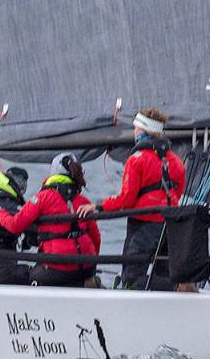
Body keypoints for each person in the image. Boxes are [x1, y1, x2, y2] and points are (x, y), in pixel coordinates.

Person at [78, 108, 186, 290]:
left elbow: (126, 200)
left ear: (143, 131)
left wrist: (97, 206)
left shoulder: (137, 159)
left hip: (144, 226)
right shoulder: (176, 160)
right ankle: (178, 289)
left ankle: (179, 288)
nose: (134, 132)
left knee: (132, 278)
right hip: (170, 224)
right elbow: (177, 193)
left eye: (135, 128)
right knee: (163, 275)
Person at [0, 154, 101, 287]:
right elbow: (96, 238)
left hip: (57, 267)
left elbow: (15, 225)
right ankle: (89, 283)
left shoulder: (43, 197)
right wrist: (89, 263)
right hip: (87, 267)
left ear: (53, 171)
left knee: (27, 276)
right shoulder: (84, 201)